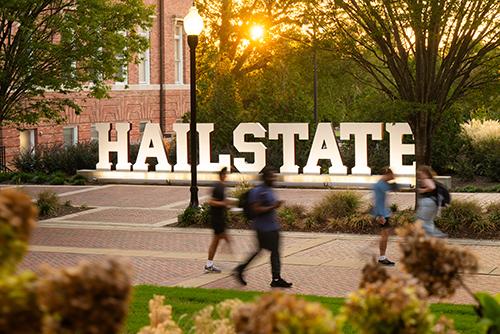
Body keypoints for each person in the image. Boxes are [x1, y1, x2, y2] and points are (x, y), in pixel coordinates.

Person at [233, 167, 292, 288]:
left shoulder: (269, 190)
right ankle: (275, 278)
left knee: (263, 251)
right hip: (264, 228)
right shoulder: (258, 191)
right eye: (271, 176)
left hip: (271, 227)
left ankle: (241, 269)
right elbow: (256, 209)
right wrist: (273, 206)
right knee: (273, 252)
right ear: (265, 177)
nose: (273, 178)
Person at [204, 167, 232, 273]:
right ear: (222, 175)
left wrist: (227, 203)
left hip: (219, 218)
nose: (226, 176)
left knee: (217, 241)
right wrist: (224, 203)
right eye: (225, 174)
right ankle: (231, 263)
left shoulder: (221, 186)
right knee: (225, 240)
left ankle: (210, 264)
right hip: (217, 219)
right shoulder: (218, 186)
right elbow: (211, 201)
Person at [372, 167, 398, 266]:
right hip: (382, 215)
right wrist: (380, 216)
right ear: (386, 175)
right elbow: (377, 202)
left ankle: (382, 257)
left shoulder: (382, 184)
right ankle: (382, 258)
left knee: (385, 236)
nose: (392, 177)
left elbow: (394, 187)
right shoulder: (379, 185)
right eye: (390, 176)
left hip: (385, 213)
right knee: (384, 236)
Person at [416, 165, 447, 238]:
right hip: (433, 203)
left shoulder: (427, 179)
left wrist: (423, 190)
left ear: (426, 173)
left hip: (428, 203)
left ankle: (435, 234)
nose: (420, 176)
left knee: (422, 221)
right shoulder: (430, 179)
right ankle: (431, 237)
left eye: (421, 174)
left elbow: (432, 187)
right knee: (428, 222)